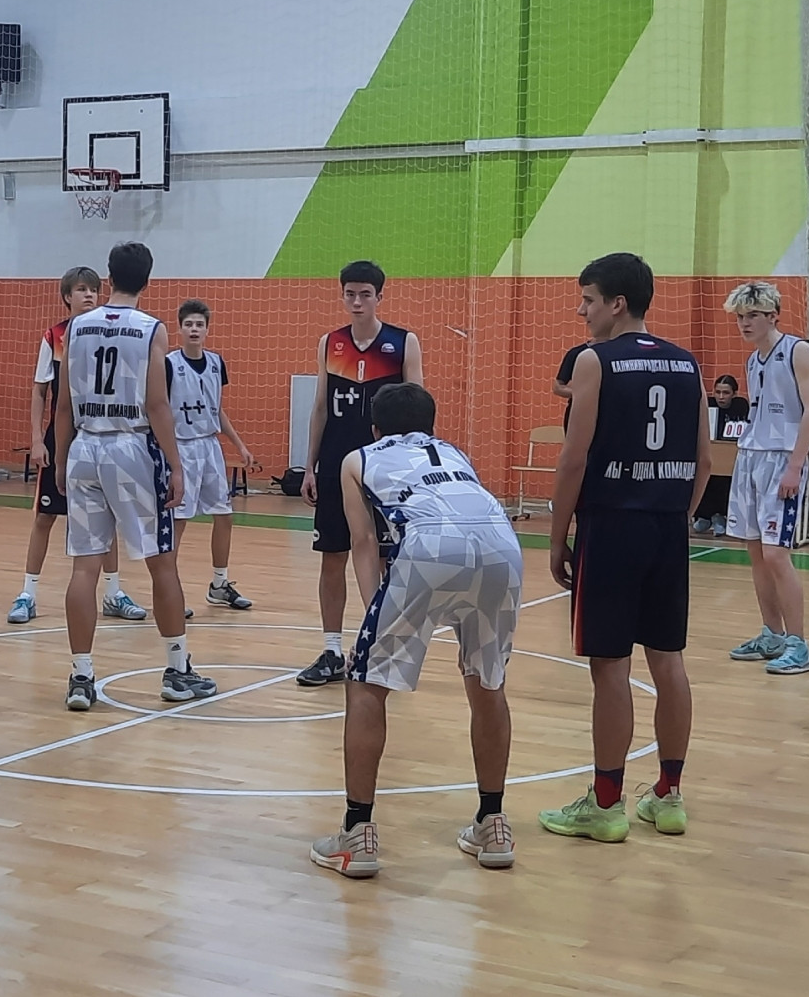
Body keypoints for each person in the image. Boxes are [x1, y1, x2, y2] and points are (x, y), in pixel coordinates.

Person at [309, 383, 522, 878]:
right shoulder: (454, 453)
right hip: (503, 547)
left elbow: (364, 542)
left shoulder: (358, 458)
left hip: (429, 545)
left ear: (375, 428)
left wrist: (375, 617)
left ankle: (357, 834)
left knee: (366, 683)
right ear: (431, 425)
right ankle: (493, 823)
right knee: (488, 683)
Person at [540, 253, 710, 844]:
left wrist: (558, 536)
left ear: (617, 304)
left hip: (611, 526)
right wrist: (675, 515)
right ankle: (669, 795)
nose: (581, 311)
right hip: (667, 527)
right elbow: (704, 461)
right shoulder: (688, 363)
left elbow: (573, 458)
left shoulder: (595, 360)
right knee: (668, 659)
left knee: (610, 666)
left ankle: (607, 805)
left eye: (587, 300)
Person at [54, 242, 216, 711]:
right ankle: (177, 671)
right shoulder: (151, 329)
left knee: (84, 567)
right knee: (161, 563)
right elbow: (158, 405)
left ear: (108, 278)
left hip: (85, 446)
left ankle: (81, 676)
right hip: (132, 447)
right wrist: (177, 465)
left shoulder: (76, 326)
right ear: (148, 280)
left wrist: (62, 460)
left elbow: (62, 406)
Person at [298, 261, 424, 687]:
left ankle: (385, 645)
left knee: (388, 560)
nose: (356, 301)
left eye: (365, 294)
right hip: (337, 465)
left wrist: (414, 468)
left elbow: (417, 409)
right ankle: (332, 650)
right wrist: (310, 465)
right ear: (343, 296)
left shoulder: (403, 342)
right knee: (332, 556)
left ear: (379, 297)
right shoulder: (330, 343)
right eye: (350, 294)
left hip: (386, 468)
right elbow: (320, 407)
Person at [9, 268, 136, 625]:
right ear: (67, 296)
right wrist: (38, 439)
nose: (89, 295)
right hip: (61, 437)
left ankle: (113, 593)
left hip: (100, 435)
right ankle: (27, 594)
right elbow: (40, 391)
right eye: (81, 289)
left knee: (106, 517)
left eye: (94, 289)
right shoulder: (54, 336)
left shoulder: (110, 332)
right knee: (45, 516)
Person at [723, 281, 809, 676]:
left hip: (782, 459)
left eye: (752, 316)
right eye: (740, 317)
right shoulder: (753, 361)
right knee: (756, 552)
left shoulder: (798, 351)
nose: (744, 323)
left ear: (773, 316)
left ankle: (799, 644)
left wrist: (796, 466)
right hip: (750, 455)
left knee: (776, 554)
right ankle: (772, 635)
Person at [169, 300, 258, 613]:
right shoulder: (168, 364)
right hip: (180, 447)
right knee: (179, 520)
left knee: (224, 514)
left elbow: (216, 410)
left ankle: (219, 585)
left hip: (209, 446)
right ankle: (169, 591)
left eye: (199, 324)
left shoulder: (217, 363)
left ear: (207, 329)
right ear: (179, 329)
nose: (194, 329)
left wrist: (240, 445)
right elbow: (157, 409)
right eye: (189, 324)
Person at [692, 375, 748, 535]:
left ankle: (720, 515)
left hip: (731, 454)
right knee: (705, 474)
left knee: (724, 477)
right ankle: (704, 515)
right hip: (711, 450)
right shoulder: (708, 405)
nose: (721, 397)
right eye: (718, 392)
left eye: (726, 393)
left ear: (734, 394)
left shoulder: (741, 407)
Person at [554, 341, 591, 427]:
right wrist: (584, 394)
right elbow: (557, 387)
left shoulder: (618, 352)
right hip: (580, 413)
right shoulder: (576, 353)